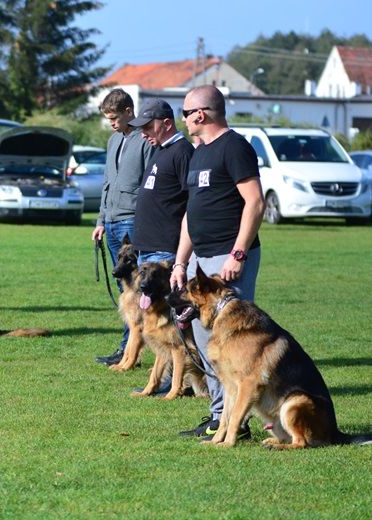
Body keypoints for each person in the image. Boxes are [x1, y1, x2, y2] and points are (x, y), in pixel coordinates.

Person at [169, 85, 265, 440]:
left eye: (184, 112)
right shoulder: (198, 153)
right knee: (204, 340)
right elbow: (190, 215)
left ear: (201, 114)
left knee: (231, 343)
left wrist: (238, 254)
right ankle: (218, 417)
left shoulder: (235, 147)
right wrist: (180, 262)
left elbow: (254, 203)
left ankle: (236, 424)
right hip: (199, 259)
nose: (183, 119)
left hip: (228, 259)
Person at [92, 89, 153, 366]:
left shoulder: (145, 140)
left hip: (133, 220)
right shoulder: (113, 140)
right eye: (108, 119)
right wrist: (101, 220)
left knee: (138, 290)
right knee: (124, 291)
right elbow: (107, 183)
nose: (112, 123)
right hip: (113, 221)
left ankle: (131, 350)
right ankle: (128, 348)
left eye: (115, 118)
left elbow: (150, 184)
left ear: (130, 111)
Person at [129, 98, 193, 265]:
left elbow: (193, 201)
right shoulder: (160, 150)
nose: (143, 134)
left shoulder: (182, 152)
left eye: (148, 127)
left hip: (165, 251)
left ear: (167, 124)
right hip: (147, 248)